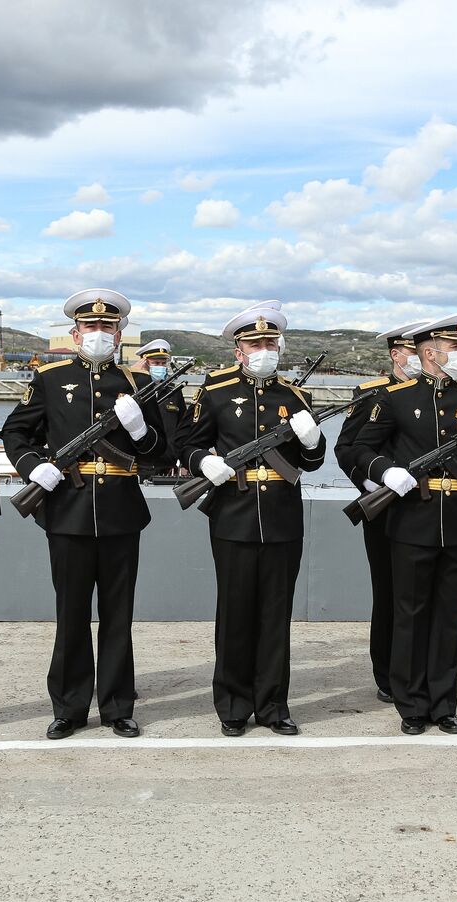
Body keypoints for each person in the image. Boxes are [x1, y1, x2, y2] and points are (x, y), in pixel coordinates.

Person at [0, 289, 166, 740]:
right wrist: (37, 467)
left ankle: (117, 706)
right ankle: (70, 707)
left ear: (119, 334)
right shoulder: (51, 379)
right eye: (90, 327)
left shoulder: (136, 385)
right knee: (71, 613)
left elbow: (161, 453)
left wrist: (139, 428)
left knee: (118, 615)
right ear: (75, 334)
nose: (98, 334)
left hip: (120, 511)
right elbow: (15, 431)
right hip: (67, 510)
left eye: (107, 327)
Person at [351, 314, 457, 735]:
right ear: (430, 352)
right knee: (410, 613)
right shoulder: (397, 399)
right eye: (454, 347)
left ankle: (443, 702)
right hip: (412, 520)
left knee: (449, 616)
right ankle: (412, 703)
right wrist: (384, 471)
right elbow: (361, 448)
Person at [178, 302, 323, 736]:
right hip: (234, 516)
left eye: (270, 342)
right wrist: (205, 461)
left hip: (282, 519)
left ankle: (274, 706)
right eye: (255, 343)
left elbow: (312, 463)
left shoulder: (297, 398)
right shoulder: (216, 391)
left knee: (276, 616)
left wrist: (313, 441)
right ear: (239, 350)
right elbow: (186, 441)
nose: (265, 349)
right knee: (236, 614)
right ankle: (233, 706)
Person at [334, 320, 425, 704]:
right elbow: (346, 449)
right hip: (385, 507)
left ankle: (419, 670)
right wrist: (370, 484)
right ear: (396, 355)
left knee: (420, 594)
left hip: (424, 506)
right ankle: (387, 673)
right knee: (389, 591)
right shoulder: (372, 395)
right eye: (413, 351)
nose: (420, 358)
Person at [133, 339, 186, 475]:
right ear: (144, 363)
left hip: (167, 465)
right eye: (156, 363)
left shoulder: (173, 392)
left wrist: (183, 459)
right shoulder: (133, 390)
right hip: (139, 464)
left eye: (163, 363)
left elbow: (183, 427)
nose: (161, 367)